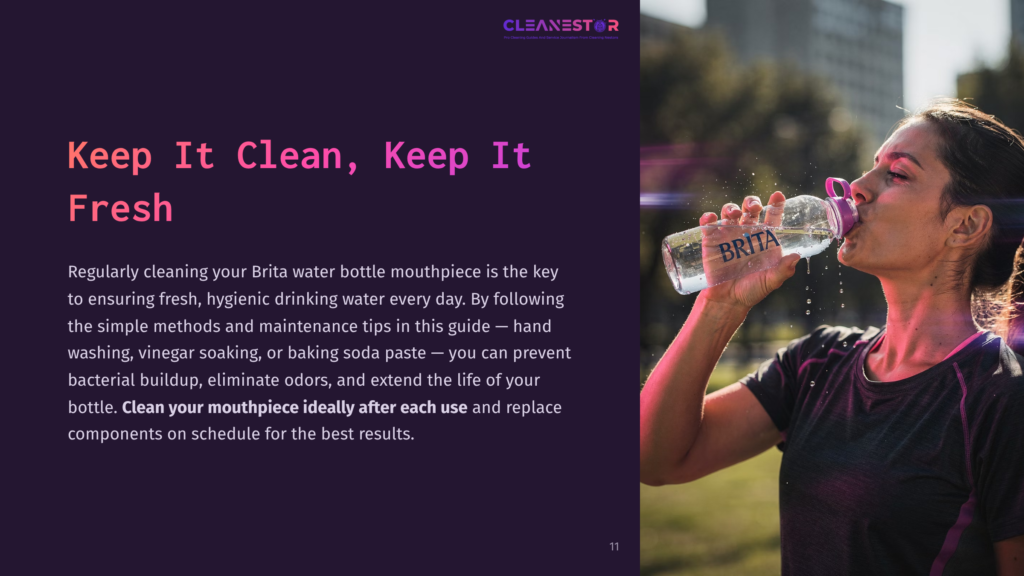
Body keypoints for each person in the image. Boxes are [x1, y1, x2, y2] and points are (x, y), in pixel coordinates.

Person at [639, 99, 1024, 575]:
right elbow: (655, 460)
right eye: (871, 168)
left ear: (965, 225)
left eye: (897, 174)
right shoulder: (819, 361)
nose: (858, 188)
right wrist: (718, 307)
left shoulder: (1000, 399)